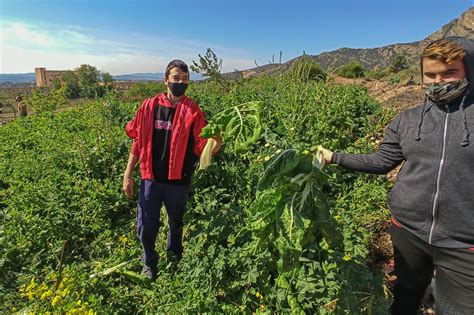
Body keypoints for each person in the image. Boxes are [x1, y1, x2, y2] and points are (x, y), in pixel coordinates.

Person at [318, 37, 474, 314]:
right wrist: (335, 157)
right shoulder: (408, 119)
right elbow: (382, 161)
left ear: (469, 71)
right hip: (407, 230)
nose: (439, 81)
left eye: (449, 73)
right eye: (431, 75)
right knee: (405, 295)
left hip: (464, 242)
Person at [122, 60, 222, 279]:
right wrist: (128, 173)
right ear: (166, 80)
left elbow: (201, 145)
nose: (180, 83)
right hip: (151, 178)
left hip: (179, 181)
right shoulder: (148, 107)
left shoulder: (191, 110)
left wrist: (216, 141)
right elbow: (137, 140)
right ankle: (149, 262)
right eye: (176, 78)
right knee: (146, 225)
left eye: (185, 79)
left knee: (176, 222)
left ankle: (174, 256)